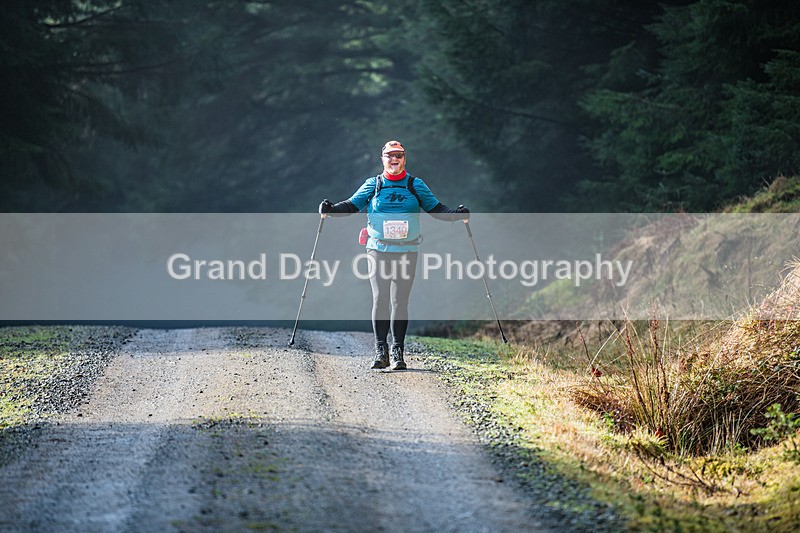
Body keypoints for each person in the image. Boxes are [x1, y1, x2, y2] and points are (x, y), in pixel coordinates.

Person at [319, 140, 469, 370]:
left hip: (407, 250)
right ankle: (381, 351)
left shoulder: (415, 185)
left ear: (404, 159)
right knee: (380, 299)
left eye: (398, 155)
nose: (394, 159)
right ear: (383, 160)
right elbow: (351, 205)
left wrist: (457, 215)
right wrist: (331, 209)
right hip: (377, 249)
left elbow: (437, 209)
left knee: (400, 302)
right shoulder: (374, 184)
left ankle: (397, 351)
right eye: (389, 155)